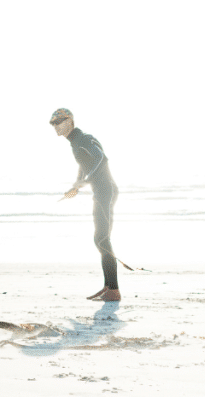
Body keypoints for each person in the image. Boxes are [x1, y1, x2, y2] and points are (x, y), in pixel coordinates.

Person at [50, 108, 121, 302]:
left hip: (106, 191)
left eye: (59, 121)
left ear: (70, 121)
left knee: (101, 238)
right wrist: (76, 185)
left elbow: (100, 158)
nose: (55, 126)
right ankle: (109, 286)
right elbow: (84, 165)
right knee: (100, 238)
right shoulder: (75, 143)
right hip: (101, 192)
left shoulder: (84, 139)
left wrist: (85, 181)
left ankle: (113, 290)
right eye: (53, 123)